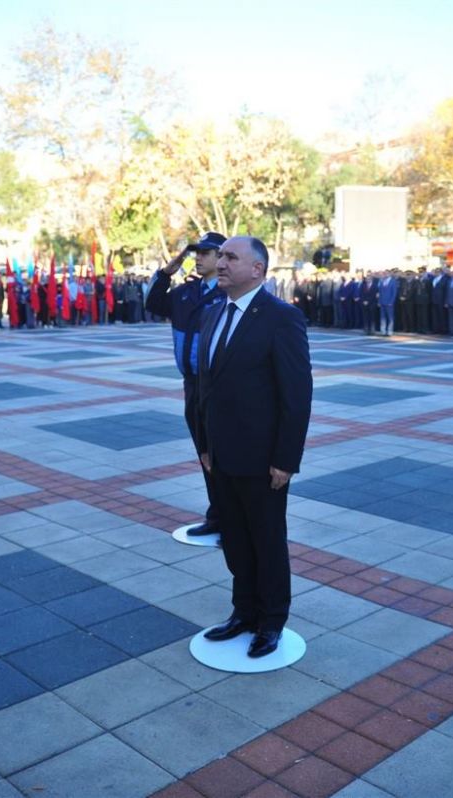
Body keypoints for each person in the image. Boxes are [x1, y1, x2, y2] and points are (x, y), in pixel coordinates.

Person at [196, 236, 312, 659]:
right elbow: (206, 389)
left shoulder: (282, 318)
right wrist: (205, 446)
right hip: (221, 456)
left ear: (258, 270)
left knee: (266, 540)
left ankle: (271, 621)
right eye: (220, 256)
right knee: (236, 540)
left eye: (230, 257)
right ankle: (243, 612)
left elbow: (296, 395)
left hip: (263, 460)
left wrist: (285, 459)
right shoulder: (213, 313)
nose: (220, 263)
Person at [146, 232, 227, 538]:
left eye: (205, 252)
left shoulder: (227, 292)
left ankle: (230, 515)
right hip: (192, 384)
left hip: (219, 385)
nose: (198, 257)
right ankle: (217, 514)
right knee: (204, 451)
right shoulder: (185, 292)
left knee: (223, 452)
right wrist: (168, 271)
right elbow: (153, 302)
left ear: (221, 256)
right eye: (197, 252)